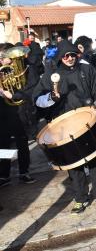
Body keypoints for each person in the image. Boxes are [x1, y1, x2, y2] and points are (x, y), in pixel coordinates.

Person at [33, 41, 96, 214]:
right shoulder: (51, 75)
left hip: (87, 124)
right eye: (66, 56)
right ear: (60, 57)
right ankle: (80, 198)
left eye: (73, 55)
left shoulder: (87, 70)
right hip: (64, 126)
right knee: (73, 166)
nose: (70, 58)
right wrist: (51, 98)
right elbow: (37, 98)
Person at [0, 44, 36, 186]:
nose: (3, 60)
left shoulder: (25, 69)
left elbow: (31, 89)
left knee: (22, 143)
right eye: (1, 57)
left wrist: (13, 94)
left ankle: (24, 172)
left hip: (20, 111)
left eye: (4, 56)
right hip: (2, 113)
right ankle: (3, 174)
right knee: (3, 145)